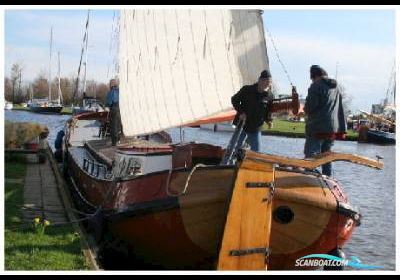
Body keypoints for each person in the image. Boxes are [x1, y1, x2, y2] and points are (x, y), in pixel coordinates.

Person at [304, 65, 346, 176]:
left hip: (318, 127)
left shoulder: (316, 86)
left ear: (314, 76)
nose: (312, 80)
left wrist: (304, 109)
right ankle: (328, 179)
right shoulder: (336, 88)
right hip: (334, 129)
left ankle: (309, 179)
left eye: (312, 78)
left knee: (311, 155)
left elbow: (309, 107)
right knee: (326, 156)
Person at [231, 70, 274, 152]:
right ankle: (229, 163)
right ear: (260, 80)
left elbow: (268, 110)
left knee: (256, 151)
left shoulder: (270, 95)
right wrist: (241, 112)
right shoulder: (246, 90)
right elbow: (234, 100)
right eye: (267, 82)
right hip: (242, 124)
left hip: (255, 127)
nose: (268, 85)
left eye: (270, 83)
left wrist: (269, 120)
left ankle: (250, 164)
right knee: (234, 148)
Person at [106, 79, 123, 146]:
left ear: (111, 84)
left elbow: (109, 102)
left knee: (113, 126)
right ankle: (118, 140)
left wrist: (107, 106)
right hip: (120, 109)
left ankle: (114, 142)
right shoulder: (120, 91)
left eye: (110, 83)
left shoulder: (112, 91)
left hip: (113, 109)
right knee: (118, 125)